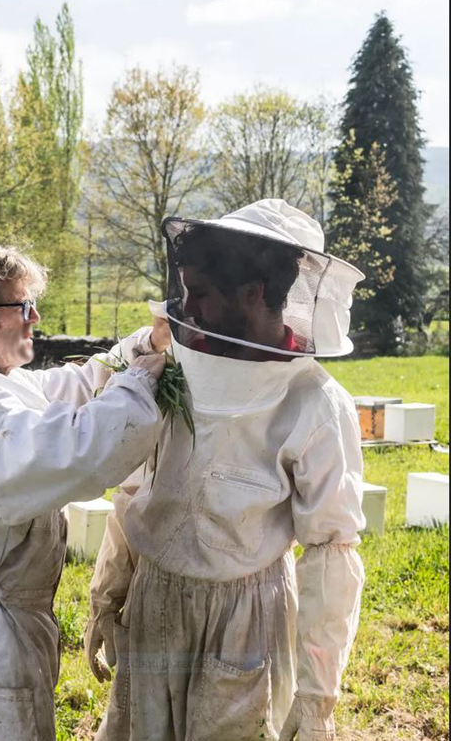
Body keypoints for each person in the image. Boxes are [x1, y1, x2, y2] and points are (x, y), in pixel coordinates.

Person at [85, 199, 368, 741]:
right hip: (154, 600)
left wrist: (317, 701)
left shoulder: (315, 403)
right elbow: (138, 487)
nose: (184, 309)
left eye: (200, 293)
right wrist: (108, 593)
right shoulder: (175, 369)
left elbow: (331, 553)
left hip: (247, 620)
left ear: (253, 293)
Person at [0, 244, 168, 740]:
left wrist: (146, 344)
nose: (35, 317)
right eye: (22, 306)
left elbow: (77, 385)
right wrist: (137, 385)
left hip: (0, 621)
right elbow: (79, 449)